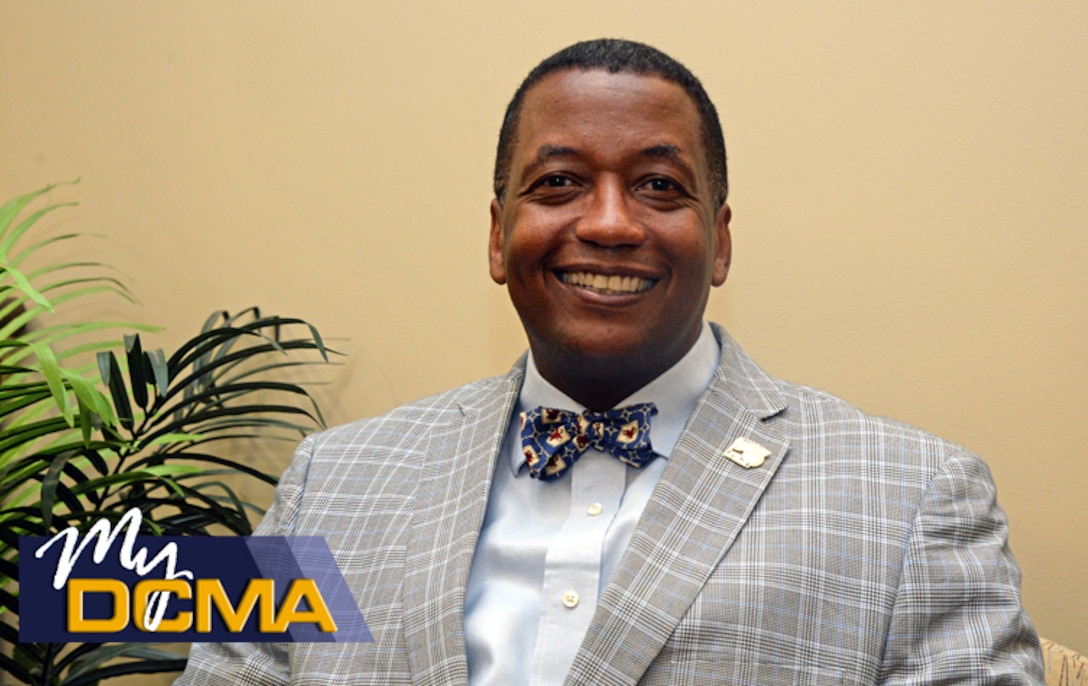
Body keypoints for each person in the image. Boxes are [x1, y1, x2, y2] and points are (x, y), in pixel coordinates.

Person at [178, 38, 1044, 685]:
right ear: (495, 235)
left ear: (721, 242)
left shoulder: (914, 497)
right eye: (557, 183)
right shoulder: (333, 478)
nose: (610, 223)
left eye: (659, 186)